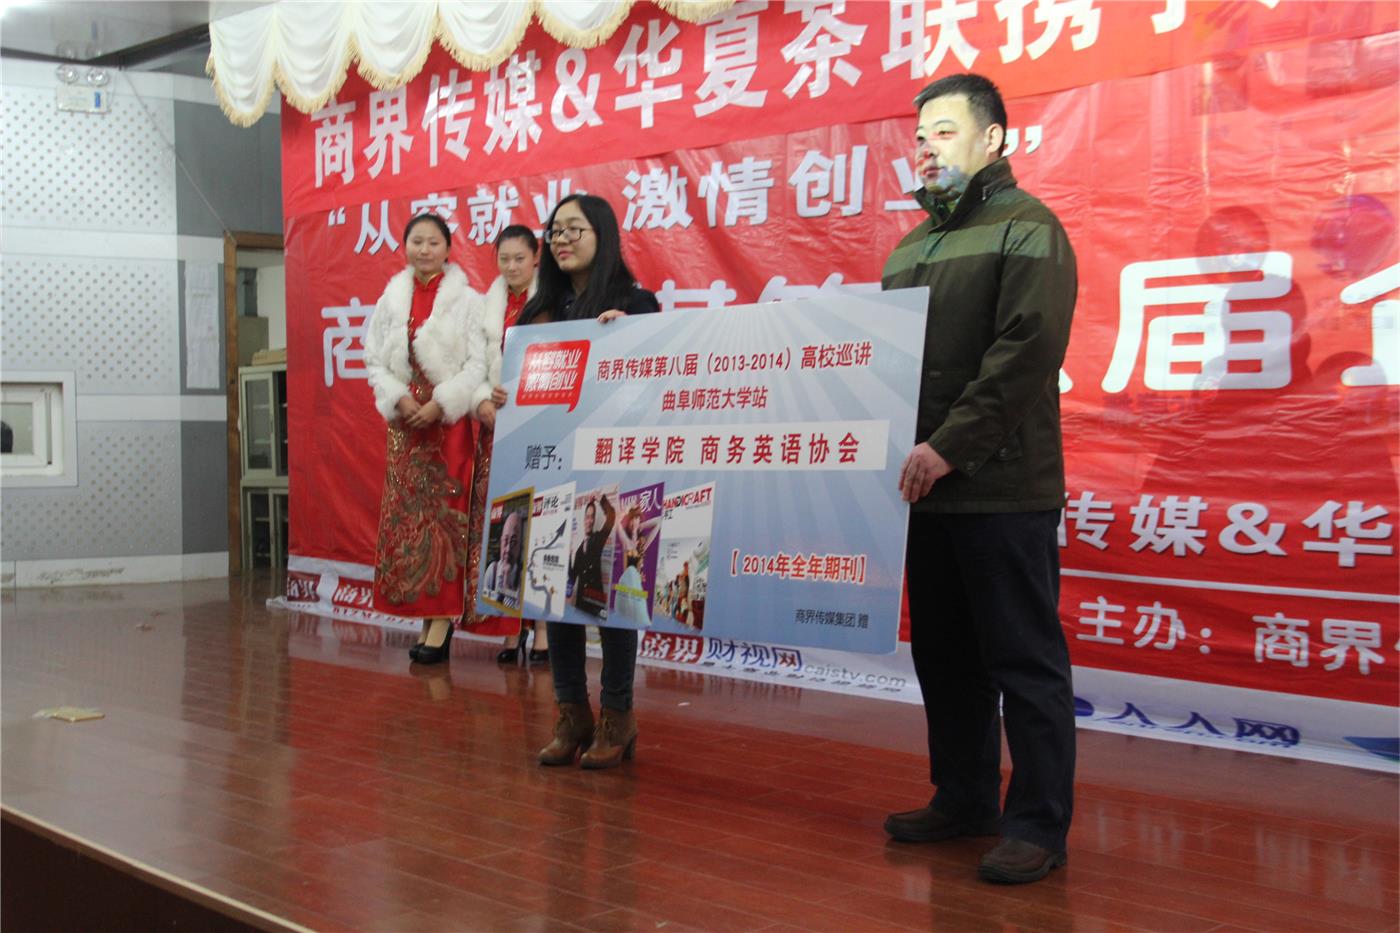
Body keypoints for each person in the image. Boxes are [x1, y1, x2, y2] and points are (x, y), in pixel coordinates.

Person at [880, 74, 1078, 885]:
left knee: (1023, 660)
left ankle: (1038, 823)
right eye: (920, 135)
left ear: (993, 138)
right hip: (925, 488)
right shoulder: (908, 247)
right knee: (946, 656)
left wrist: (950, 446)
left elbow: (1026, 352)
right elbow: (885, 365)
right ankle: (964, 795)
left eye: (945, 131)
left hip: (1001, 484)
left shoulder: (1029, 227)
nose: (927, 147)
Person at [518, 193, 660, 769]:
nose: (561, 240)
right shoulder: (538, 313)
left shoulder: (636, 302)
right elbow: (521, 391)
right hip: (551, 469)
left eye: (574, 229)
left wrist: (632, 341)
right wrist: (499, 393)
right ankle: (571, 712)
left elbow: (660, 384)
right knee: (555, 589)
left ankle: (618, 715)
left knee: (614, 593)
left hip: (615, 471)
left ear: (603, 234)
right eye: (555, 231)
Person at [363, 212, 487, 666]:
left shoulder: (468, 302)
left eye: (433, 242)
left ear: (448, 249)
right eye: (417, 241)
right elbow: (373, 359)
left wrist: (442, 402)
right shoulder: (390, 299)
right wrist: (397, 397)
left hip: (447, 426)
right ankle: (423, 614)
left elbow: (478, 365)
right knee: (409, 521)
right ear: (405, 246)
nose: (424, 249)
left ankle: (442, 620)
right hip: (406, 427)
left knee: (445, 521)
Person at [464, 224, 550, 665]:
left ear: (536, 258)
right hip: (496, 430)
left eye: (520, 258)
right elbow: (472, 365)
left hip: (542, 425)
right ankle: (508, 628)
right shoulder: (486, 308)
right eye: (504, 258)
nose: (512, 266)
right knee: (503, 527)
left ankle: (543, 630)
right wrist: (482, 398)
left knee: (542, 521)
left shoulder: (552, 300)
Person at [610, 504, 662, 627]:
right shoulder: (626, 542)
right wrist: (626, 509)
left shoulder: (643, 544)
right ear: (629, 522)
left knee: (638, 617)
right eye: (632, 519)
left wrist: (642, 525)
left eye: (637, 518)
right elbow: (616, 522)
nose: (634, 522)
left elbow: (659, 521)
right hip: (625, 585)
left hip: (636, 586)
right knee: (623, 618)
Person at [568, 494, 615, 616]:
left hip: (595, 605)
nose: (590, 521)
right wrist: (568, 557)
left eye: (592, 517)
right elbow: (572, 577)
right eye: (587, 517)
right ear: (584, 520)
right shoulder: (578, 551)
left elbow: (611, 517)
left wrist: (600, 499)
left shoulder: (598, 539)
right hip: (580, 605)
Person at [482, 508, 524, 611]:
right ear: (501, 542)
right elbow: (483, 605)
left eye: (514, 542)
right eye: (505, 541)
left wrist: (507, 585)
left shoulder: (522, 577)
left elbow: (517, 612)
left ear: (520, 546)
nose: (508, 549)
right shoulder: (492, 570)